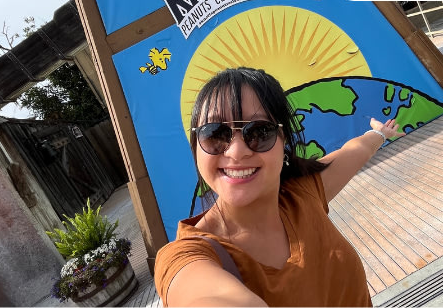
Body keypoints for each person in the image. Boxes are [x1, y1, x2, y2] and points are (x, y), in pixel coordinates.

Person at [155, 67, 405, 307]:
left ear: (283, 140)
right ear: (196, 146)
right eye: (215, 133)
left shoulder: (304, 194)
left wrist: (380, 133)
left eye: (260, 132)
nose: (237, 151)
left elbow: (357, 149)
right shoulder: (185, 256)